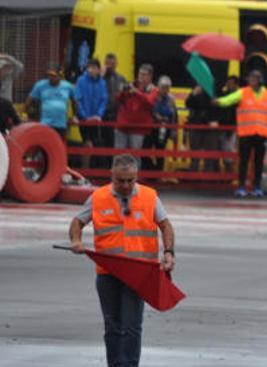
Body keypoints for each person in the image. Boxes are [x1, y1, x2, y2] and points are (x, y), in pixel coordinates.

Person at [67, 153, 176, 367]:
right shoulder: (98, 197)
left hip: (139, 273)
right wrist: (76, 241)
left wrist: (169, 252)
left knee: (132, 326)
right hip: (108, 273)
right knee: (113, 326)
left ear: (136, 177)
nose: (125, 185)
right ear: (111, 176)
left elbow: (165, 225)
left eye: (130, 180)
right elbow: (77, 222)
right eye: (120, 180)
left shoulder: (149, 196)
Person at [214, 70, 267, 197]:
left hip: (261, 134)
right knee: (243, 161)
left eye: (254, 78)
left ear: (260, 80)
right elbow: (230, 99)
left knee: (258, 163)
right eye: (250, 78)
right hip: (246, 134)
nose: (251, 80)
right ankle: (241, 187)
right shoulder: (243, 92)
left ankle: (257, 187)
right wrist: (219, 101)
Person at [24, 63, 77, 140]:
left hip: (61, 124)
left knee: (59, 147)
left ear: (59, 75)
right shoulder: (40, 85)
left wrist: (74, 116)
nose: (51, 78)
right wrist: (25, 114)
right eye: (49, 75)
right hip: (45, 123)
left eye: (54, 76)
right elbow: (29, 101)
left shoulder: (68, 86)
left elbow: (75, 101)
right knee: (45, 146)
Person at [115, 64, 157, 152]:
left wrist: (136, 92)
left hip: (138, 129)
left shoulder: (152, 89)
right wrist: (123, 92)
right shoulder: (131, 84)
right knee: (119, 155)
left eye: (144, 74)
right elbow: (118, 99)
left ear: (150, 76)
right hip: (123, 126)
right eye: (140, 74)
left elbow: (150, 102)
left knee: (134, 156)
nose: (141, 76)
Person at [75, 58, 108, 168]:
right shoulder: (81, 80)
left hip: (97, 119)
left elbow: (104, 100)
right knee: (87, 142)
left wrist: (99, 115)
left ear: (99, 70)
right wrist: (84, 116)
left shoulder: (102, 83)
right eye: (89, 67)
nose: (90, 70)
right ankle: (85, 170)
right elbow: (78, 99)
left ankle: (93, 169)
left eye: (93, 68)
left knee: (96, 143)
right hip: (84, 119)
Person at [143, 76, 178, 171]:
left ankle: (158, 173)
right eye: (163, 87)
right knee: (144, 150)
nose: (165, 89)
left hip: (164, 128)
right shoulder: (153, 95)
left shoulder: (171, 99)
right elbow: (148, 109)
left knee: (160, 152)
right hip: (151, 127)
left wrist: (173, 131)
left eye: (167, 87)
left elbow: (174, 116)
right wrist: (155, 115)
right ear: (159, 86)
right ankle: (150, 169)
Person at [185, 85, 220, 172]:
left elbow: (220, 108)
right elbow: (188, 103)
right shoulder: (196, 90)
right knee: (194, 154)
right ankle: (193, 175)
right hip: (196, 126)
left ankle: (208, 177)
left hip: (210, 127)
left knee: (209, 156)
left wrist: (216, 119)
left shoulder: (215, 91)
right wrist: (194, 93)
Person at [102, 53, 127, 154]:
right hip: (103, 114)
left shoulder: (121, 79)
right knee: (102, 142)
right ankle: (102, 167)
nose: (110, 66)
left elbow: (125, 97)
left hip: (117, 115)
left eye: (112, 63)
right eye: (108, 63)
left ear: (117, 63)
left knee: (115, 142)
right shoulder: (100, 79)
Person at [217, 76, 239, 172]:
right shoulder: (223, 95)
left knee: (228, 155)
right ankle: (220, 178)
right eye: (227, 83)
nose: (228, 85)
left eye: (231, 83)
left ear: (236, 85)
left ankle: (229, 177)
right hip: (221, 128)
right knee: (217, 154)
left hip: (231, 129)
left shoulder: (238, 98)